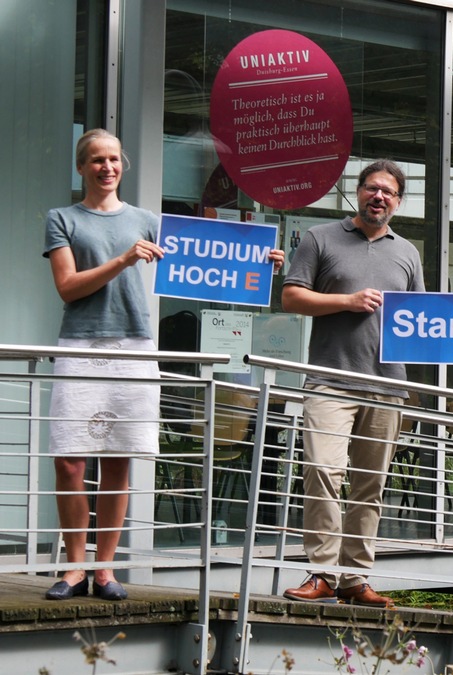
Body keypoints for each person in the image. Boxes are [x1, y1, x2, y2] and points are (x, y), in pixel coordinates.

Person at [42, 129, 281, 601]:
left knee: (117, 461)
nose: (106, 167)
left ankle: (105, 571)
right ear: (81, 167)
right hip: (81, 346)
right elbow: (68, 287)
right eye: (96, 160)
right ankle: (74, 569)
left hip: (134, 347)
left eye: (113, 159)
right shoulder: (62, 219)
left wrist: (261, 260)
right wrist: (124, 258)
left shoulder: (147, 219)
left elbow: (212, 255)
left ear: (122, 165)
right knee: (69, 461)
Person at [280, 160, 453, 607]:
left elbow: (420, 321)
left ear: (398, 201)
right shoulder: (321, 238)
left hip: (387, 387)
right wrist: (346, 300)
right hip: (331, 379)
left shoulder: (407, 253)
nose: (379, 197)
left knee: (369, 484)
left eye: (389, 192)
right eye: (372, 188)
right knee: (322, 471)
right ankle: (321, 574)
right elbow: (291, 296)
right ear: (357, 192)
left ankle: (355, 580)